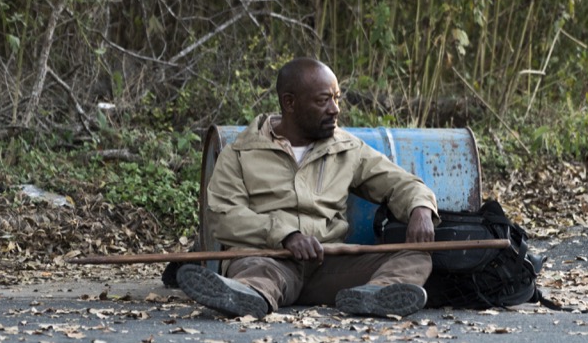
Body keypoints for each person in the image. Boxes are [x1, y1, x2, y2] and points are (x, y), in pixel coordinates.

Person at [177, 57, 440, 318]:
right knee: (255, 271)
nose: (334, 109)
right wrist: (287, 235)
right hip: (270, 258)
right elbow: (223, 216)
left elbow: (401, 183)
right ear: (289, 102)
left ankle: (376, 295)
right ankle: (247, 295)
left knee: (415, 256)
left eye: (336, 98)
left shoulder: (348, 148)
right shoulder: (239, 153)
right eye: (323, 100)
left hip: (330, 263)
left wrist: (420, 208)